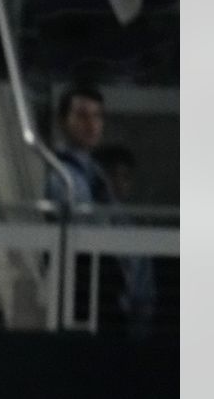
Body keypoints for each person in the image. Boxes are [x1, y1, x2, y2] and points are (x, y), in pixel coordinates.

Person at [44, 83, 153, 337]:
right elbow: (87, 233)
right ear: (62, 121)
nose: (91, 124)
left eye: (97, 116)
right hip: (89, 296)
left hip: (113, 298)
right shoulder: (64, 176)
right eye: (81, 116)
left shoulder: (95, 174)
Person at [94, 143, 158, 339]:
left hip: (125, 320)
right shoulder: (90, 218)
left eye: (125, 177)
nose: (118, 183)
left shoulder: (132, 229)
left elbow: (143, 289)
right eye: (112, 175)